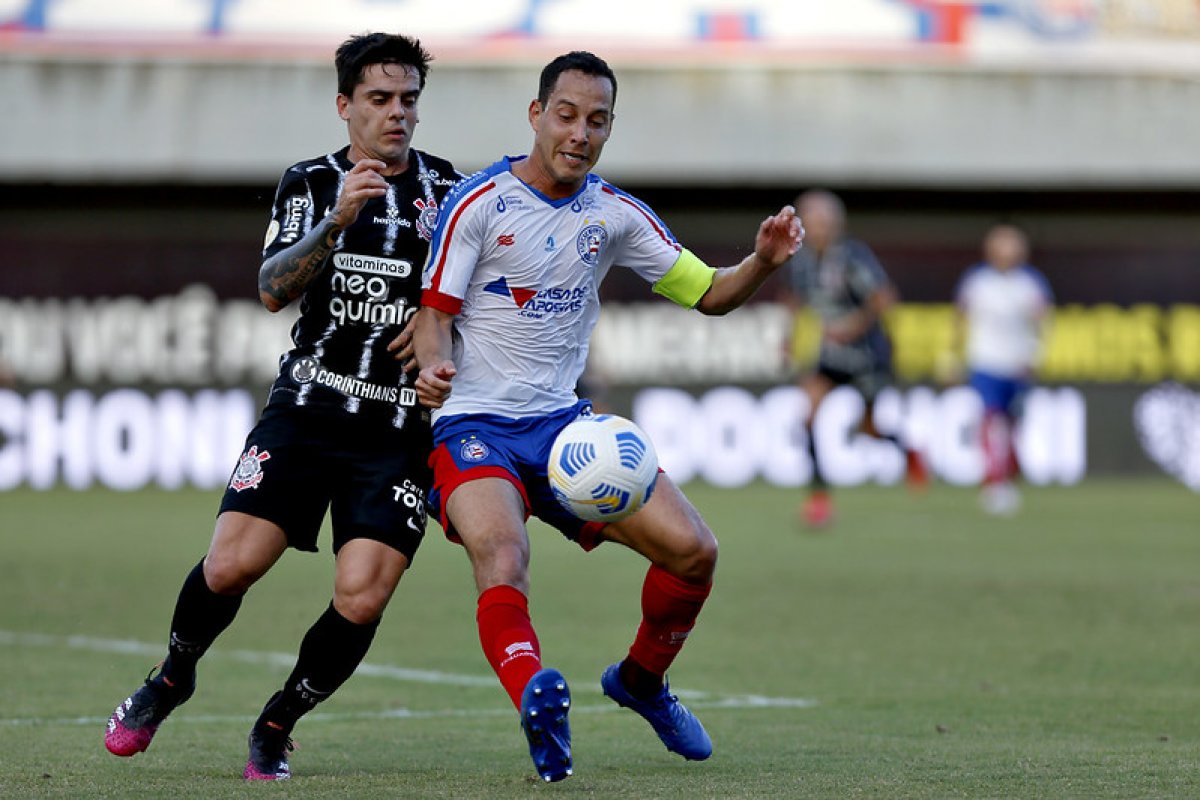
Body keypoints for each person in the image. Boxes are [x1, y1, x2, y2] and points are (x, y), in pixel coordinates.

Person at [408, 51, 803, 783]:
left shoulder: (615, 215)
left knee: (696, 552)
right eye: (566, 114)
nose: (580, 133)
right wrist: (434, 365)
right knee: (502, 556)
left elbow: (709, 294)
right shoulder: (479, 203)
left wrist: (764, 263)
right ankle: (535, 699)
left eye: (598, 121)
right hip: (474, 426)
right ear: (535, 115)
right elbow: (433, 317)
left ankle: (641, 682)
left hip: (566, 430)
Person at [103, 33, 461, 780]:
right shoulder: (309, 182)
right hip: (307, 409)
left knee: (361, 598)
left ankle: (276, 723)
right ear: (345, 106)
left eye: (408, 101)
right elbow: (272, 289)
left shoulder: (451, 194)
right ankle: (171, 676)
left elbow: (480, 300)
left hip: (395, 429)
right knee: (231, 566)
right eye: (379, 99)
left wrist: (438, 332)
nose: (397, 114)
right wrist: (336, 223)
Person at [782, 189, 926, 528]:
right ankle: (819, 499)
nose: (818, 227)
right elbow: (794, 299)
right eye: (811, 220)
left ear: (836, 224)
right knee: (807, 419)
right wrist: (787, 339)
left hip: (866, 356)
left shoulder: (852, 257)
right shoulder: (800, 261)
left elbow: (884, 297)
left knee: (869, 430)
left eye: (823, 220)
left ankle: (909, 452)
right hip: (830, 356)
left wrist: (853, 325)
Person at [953, 223, 1053, 515]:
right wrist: (953, 356)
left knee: (1011, 423)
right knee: (990, 418)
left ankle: (1009, 472)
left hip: (1017, 362)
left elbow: (1042, 320)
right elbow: (960, 317)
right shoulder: (977, 281)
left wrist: (1036, 354)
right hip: (985, 360)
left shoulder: (1030, 283)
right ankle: (994, 481)